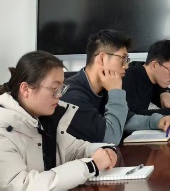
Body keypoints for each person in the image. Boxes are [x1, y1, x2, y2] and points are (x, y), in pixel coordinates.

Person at [0, 51, 117, 190]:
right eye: (54, 89)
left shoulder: (44, 122)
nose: (60, 95)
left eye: (62, 88)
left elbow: (76, 149)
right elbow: (24, 186)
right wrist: (91, 166)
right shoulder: (3, 131)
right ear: (26, 89)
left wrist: (104, 150)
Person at [62, 30, 170, 145]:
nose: (126, 66)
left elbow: (127, 119)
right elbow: (110, 138)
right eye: (123, 59)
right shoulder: (72, 96)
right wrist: (115, 92)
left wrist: (158, 120)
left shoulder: (103, 88)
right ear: (102, 58)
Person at [122, 40, 170, 119]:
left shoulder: (152, 78)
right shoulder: (128, 77)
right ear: (154, 65)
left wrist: (164, 93)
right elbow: (133, 116)